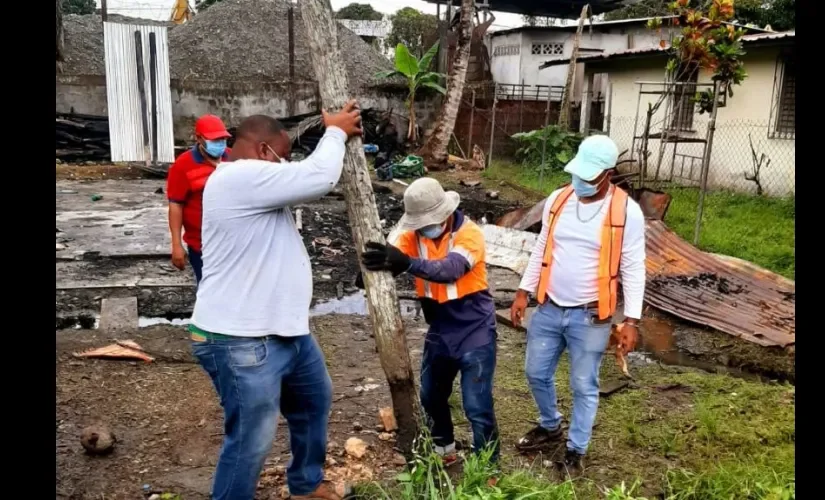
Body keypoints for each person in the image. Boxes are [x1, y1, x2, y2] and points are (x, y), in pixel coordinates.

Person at [188, 101, 362, 500]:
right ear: (262, 149)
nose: (285, 165)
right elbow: (318, 177)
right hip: (238, 338)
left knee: (313, 401)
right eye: (282, 156)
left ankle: (306, 484)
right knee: (251, 439)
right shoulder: (238, 177)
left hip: (284, 331)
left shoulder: (253, 184)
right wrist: (335, 130)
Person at [510, 135, 646, 476]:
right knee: (535, 372)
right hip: (549, 307)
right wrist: (523, 291)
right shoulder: (559, 199)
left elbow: (633, 266)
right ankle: (550, 424)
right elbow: (542, 246)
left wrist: (631, 320)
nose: (581, 182)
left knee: (584, 384)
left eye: (589, 176)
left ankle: (575, 449)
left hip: (590, 315)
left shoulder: (626, 211)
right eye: (579, 173)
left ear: (609, 173)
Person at [360, 178, 500, 466]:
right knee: (431, 395)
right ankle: (443, 449)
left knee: (477, 405)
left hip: (474, 328)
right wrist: (369, 269)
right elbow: (391, 254)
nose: (426, 227)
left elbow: (450, 269)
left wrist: (408, 264)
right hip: (439, 327)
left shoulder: (469, 234)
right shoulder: (412, 236)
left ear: (445, 213)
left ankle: (488, 464)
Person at [166, 114, 232, 284]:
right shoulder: (183, 165)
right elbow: (175, 205)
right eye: (214, 140)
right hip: (202, 245)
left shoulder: (232, 159)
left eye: (222, 139)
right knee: (209, 289)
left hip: (233, 242)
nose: (220, 144)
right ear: (199, 139)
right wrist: (176, 245)